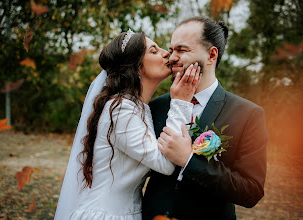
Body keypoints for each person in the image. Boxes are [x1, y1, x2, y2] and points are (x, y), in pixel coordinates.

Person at [54, 29, 202, 220]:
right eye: (154, 51)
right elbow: (165, 164)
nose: (167, 53)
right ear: (136, 65)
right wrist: (181, 103)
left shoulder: (139, 108)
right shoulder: (121, 109)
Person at [142, 16, 268, 220]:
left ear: (211, 55)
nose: (172, 57)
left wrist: (189, 160)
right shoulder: (156, 107)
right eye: (171, 49)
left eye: (181, 50)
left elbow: (250, 191)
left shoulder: (248, 115)